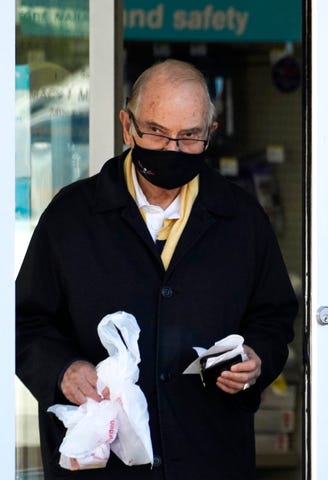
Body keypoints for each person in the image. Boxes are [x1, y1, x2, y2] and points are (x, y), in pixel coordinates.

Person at [16, 58, 298, 480]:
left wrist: (257, 359)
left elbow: (274, 318)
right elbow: (22, 322)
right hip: (102, 465)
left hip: (210, 457)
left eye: (189, 137)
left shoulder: (241, 218)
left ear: (210, 134)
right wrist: (62, 371)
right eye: (157, 132)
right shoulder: (72, 216)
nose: (172, 149)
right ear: (127, 125)